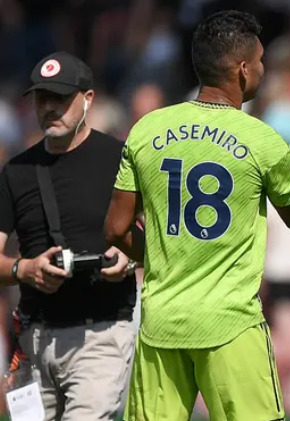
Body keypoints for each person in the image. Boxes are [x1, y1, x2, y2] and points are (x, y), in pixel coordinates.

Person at [104, 10, 290, 421]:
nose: (263, 69)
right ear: (243, 70)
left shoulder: (146, 130)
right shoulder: (262, 139)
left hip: (161, 324)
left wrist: (157, 256)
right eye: (260, 61)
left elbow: (116, 229)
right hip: (231, 325)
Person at [0, 51, 137, 421]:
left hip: (100, 335)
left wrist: (131, 257)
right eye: (42, 98)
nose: (49, 108)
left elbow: (159, 234)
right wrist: (24, 269)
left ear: (88, 99)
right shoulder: (16, 171)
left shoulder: (121, 158)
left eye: (60, 98)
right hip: (32, 340)